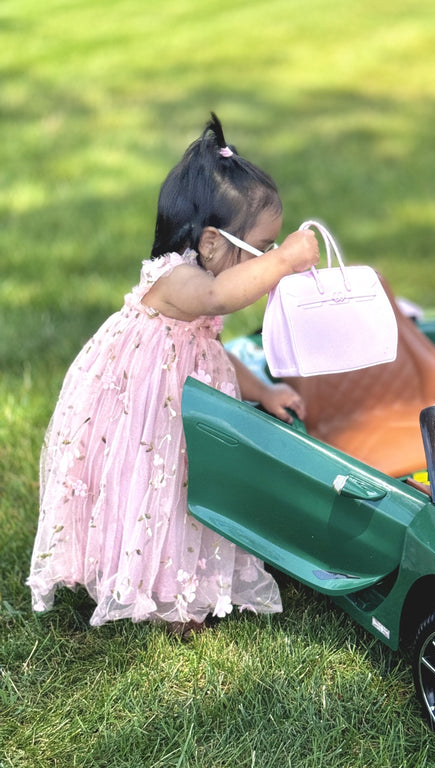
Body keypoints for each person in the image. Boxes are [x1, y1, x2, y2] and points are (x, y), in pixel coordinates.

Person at [26, 114, 319, 638]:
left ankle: (185, 575)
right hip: (144, 409)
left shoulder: (202, 275)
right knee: (155, 486)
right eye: (263, 248)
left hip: (180, 397)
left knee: (189, 486)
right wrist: (285, 263)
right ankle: (158, 595)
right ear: (211, 243)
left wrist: (265, 390)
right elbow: (218, 298)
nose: (271, 259)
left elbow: (215, 354)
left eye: (277, 248)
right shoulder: (181, 279)